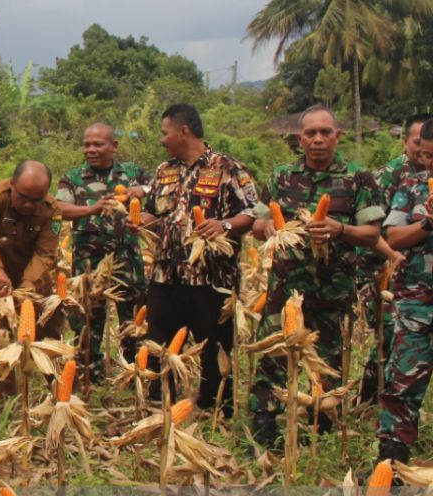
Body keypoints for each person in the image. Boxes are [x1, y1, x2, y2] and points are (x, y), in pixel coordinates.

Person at [249, 106, 384, 447]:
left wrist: (340, 229)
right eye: (311, 133)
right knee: (272, 359)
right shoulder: (281, 177)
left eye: (326, 132)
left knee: (325, 364)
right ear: (300, 139)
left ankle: (320, 432)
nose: (318, 139)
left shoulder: (357, 179)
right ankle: (264, 430)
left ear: (338, 136)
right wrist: (273, 228)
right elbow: (257, 224)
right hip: (284, 290)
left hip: (332, 294)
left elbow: (371, 234)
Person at [137, 103, 257, 412]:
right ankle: (160, 402)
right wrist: (140, 219)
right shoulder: (164, 171)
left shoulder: (228, 168)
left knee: (213, 344)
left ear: (183, 130)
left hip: (211, 278)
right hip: (165, 275)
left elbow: (252, 213)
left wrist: (224, 225)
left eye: (165, 132)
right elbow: (154, 211)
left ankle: (214, 407)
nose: (161, 139)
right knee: (159, 342)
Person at [55, 122, 149, 380]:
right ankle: (89, 375)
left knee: (133, 320)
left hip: (127, 263)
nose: (91, 149)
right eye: (87, 144)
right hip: (89, 265)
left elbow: (161, 191)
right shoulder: (73, 177)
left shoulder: (132, 173)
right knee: (86, 320)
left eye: (98, 144)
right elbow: (59, 208)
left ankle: (134, 373)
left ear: (114, 146)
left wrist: (141, 191)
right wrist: (90, 210)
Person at [358, 113, 430, 402]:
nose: (422, 153)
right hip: (376, 266)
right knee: (387, 331)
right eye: (417, 145)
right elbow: (375, 231)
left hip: (411, 271)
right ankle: (371, 397)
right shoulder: (390, 177)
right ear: (406, 141)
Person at [376, 118, 433, 464]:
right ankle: (392, 466)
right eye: (426, 156)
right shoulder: (412, 186)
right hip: (416, 302)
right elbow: (393, 237)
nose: (430, 164)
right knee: (402, 385)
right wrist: (426, 223)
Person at [0, 161, 61, 301]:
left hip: (31, 275)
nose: (28, 205)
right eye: (22, 198)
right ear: (12, 184)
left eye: (36, 201)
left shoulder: (52, 211)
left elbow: (44, 254)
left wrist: (26, 287)